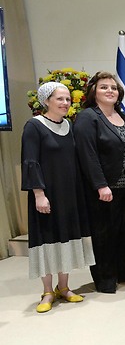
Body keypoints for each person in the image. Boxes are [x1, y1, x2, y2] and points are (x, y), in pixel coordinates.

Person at [21, 82, 95, 313]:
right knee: (48, 239)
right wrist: (39, 194)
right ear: (46, 101)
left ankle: (64, 287)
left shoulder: (69, 126)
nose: (65, 103)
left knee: (68, 238)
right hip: (46, 194)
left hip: (69, 194)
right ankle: (47, 291)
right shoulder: (34, 126)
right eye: (60, 99)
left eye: (67, 99)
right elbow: (30, 162)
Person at [74, 71, 125, 293]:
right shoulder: (88, 117)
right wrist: (100, 185)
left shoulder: (123, 116)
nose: (110, 91)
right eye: (104, 87)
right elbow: (88, 154)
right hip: (104, 189)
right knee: (105, 236)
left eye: (113, 87)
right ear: (93, 91)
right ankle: (105, 279)